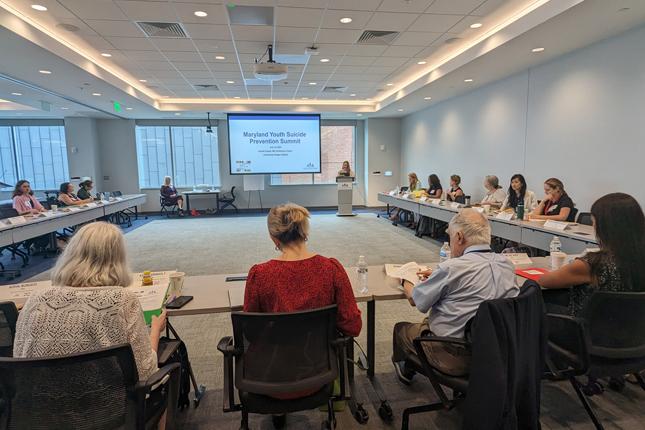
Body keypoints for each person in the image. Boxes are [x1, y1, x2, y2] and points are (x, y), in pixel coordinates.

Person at [13, 222, 168, 427]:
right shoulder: (121, 299)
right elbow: (146, 372)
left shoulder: (35, 299)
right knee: (166, 372)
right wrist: (155, 330)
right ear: (118, 257)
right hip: (107, 413)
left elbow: (19, 361)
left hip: (37, 413)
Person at [243, 203, 362, 423]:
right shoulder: (331, 269)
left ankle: (278, 411)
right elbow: (352, 327)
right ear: (305, 232)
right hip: (318, 375)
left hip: (268, 378)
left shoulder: (260, 275)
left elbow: (250, 331)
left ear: (273, 238)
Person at [392, 209, 519, 382]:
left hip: (457, 355)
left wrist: (406, 279)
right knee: (430, 320)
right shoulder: (507, 264)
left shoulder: (451, 268)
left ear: (459, 237)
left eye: (450, 237)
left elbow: (416, 300)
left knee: (402, 329)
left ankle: (407, 370)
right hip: (499, 350)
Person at [539, 193, 645, 316]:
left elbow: (544, 281)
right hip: (634, 329)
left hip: (586, 329)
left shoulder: (593, 264)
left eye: (593, 221)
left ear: (604, 227)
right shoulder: (637, 259)